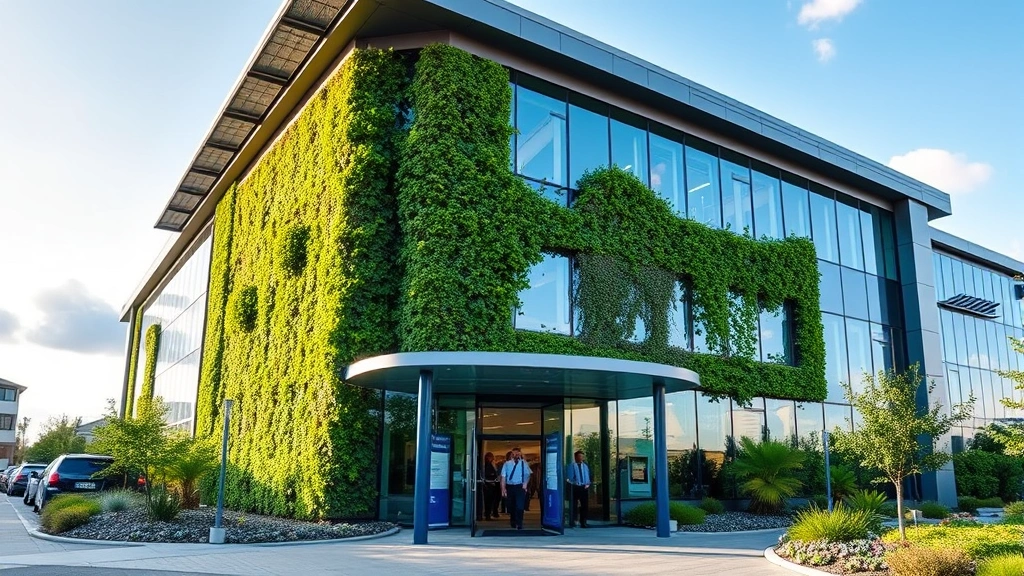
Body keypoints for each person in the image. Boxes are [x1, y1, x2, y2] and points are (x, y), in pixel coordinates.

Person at [500, 446, 531, 530]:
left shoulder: (523, 463)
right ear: (511, 454)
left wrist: (525, 484)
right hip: (510, 487)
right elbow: (503, 477)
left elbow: (528, 474)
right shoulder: (506, 464)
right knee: (511, 505)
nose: (515, 455)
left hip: (519, 486)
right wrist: (503, 489)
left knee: (520, 506)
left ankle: (519, 523)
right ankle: (513, 521)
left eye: (517, 453)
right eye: (514, 453)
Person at [567, 450, 591, 528]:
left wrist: (588, 483)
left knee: (584, 505)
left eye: (582, 456)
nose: (581, 458)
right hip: (575, 487)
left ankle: (583, 522)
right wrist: (574, 483)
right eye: (579, 456)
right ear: (575, 457)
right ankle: (573, 520)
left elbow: (588, 475)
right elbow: (569, 477)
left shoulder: (585, 466)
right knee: (574, 505)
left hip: (584, 487)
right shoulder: (571, 465)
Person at [482, 452, 500, 520]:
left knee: (489, 501)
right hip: (490, 485)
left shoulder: (488, 465)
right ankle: (487, 515)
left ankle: (488, 514)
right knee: (489, 501)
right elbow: (490, 474)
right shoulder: (488, 465)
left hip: (490, 485)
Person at [499, 451, 512, 515]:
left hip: (514, 484)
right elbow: (502, 476)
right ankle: (508, 510)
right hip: (507, 484)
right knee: (507, 498)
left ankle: (509, 510)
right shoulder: (506, 464)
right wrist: (502, 487)